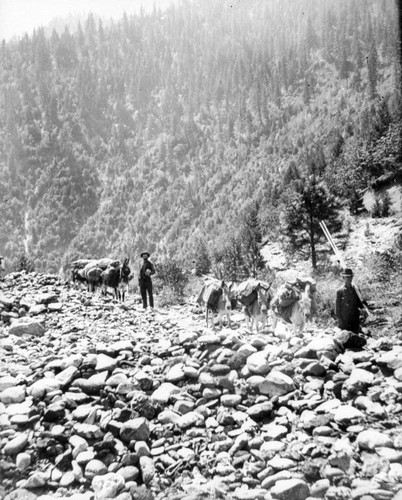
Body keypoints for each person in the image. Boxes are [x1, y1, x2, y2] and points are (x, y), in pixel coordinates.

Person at [335, 268, 366, 334]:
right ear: (343, 278)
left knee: (355, 339)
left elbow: (360, 304)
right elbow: (337, 307)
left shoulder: (356, 290)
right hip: (344, 320)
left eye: (350, 277)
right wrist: (339, 319)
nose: (349, 279)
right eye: (347, 277)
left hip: (354, 319)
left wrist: (364, 304)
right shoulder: (340, 291)